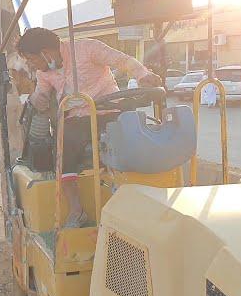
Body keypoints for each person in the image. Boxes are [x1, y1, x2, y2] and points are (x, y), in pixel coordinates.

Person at [16, 27, 161, 228]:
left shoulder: (87, 48)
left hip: (109, 111)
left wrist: (142, 75)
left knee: (126, 139)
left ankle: (133, 202)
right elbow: (40, 94)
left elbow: (123, 61)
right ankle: (77, 212)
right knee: (62, 146)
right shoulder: (43, 74)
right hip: (76, 120)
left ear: (45, 53)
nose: (31, 65)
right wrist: (36, 99)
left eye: (32, 59)